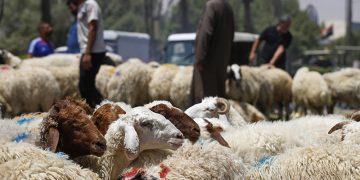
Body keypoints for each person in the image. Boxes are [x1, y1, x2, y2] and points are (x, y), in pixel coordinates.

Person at [190, 0, 235, 105]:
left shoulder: (212, 5)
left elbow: (205, 32)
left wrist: (200, 58)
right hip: (222, 62)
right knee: (219, 101)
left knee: (204, 101)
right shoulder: (228, 7)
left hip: (208, 63)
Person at [73, 0, 106, 107]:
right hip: (87, 50)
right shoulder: (82, 6)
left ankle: (105, 108)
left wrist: (87, 53)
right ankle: (95, 110)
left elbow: (93, 27)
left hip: (93, 51)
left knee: (86, 85)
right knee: (84, 85)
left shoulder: (90, 4)